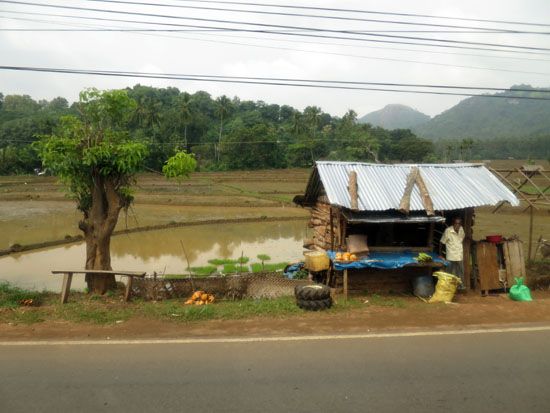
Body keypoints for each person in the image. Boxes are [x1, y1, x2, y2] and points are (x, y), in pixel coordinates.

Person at [440, 217, 466, 290]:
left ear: (461, 224)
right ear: (453, 224)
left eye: (459, 224)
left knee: (460, 272)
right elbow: (442, 242)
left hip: (459, 255)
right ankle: (448, 287)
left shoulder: (461, 230)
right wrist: (441, 255)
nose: (457, 225)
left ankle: (460, 286)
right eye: (456, 223)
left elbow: (461, 239)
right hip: (450, 256)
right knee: (449, 272)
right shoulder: (448, 231)